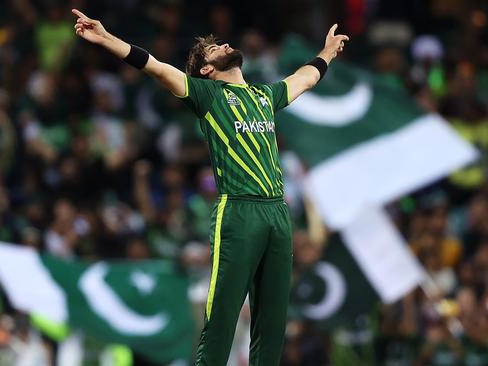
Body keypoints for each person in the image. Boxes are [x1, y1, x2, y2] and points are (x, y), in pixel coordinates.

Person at [72, 8, 349, 365]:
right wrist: (107, 39)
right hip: (239, 211)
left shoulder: (265, 96)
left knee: (273, 323)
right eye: (215, 48)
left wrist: (326, 52)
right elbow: (156, 66)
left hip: (278, 213)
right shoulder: (207, 96)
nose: (225, 44)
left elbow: (304, 79)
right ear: (206, 70)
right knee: (221, 319)